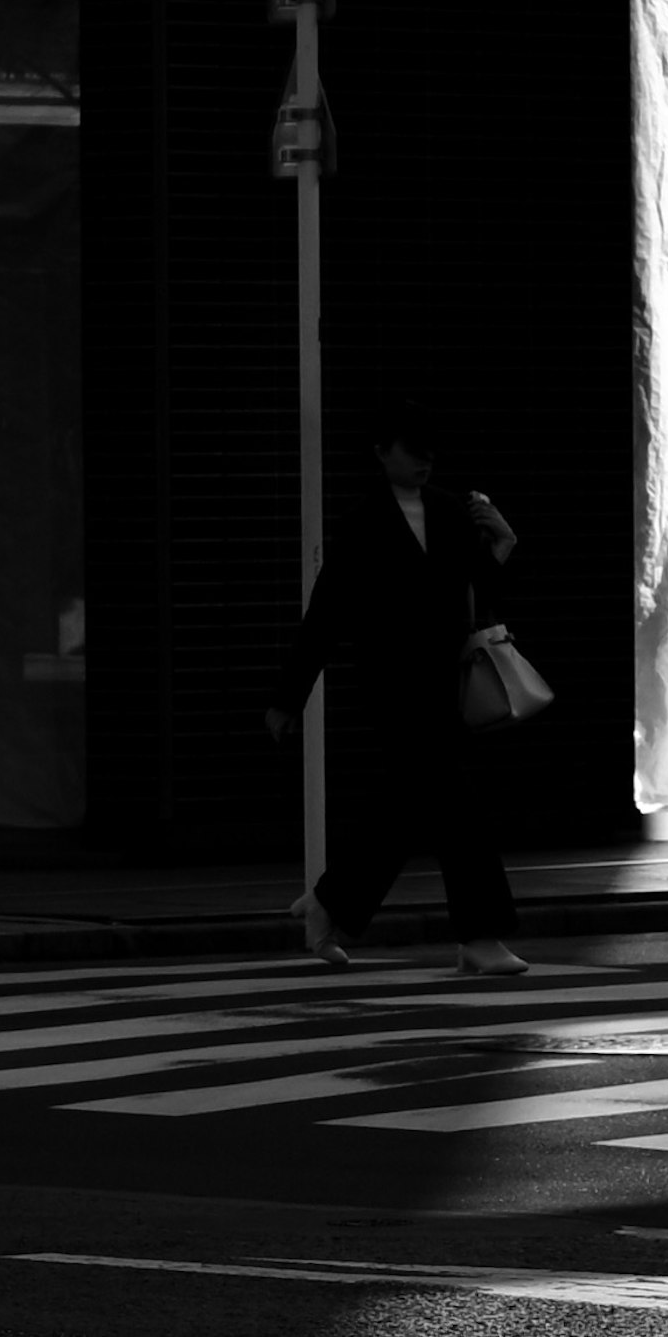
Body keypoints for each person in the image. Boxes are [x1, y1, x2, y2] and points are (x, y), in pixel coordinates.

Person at [267, 406, 530, 976]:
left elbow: (481, 588)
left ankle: (331, 902)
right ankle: (480, 937)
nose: (424, 461)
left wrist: (502, 545)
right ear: (382, 452)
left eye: (430, 451)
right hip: (390, 687)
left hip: (441, 683)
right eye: (412, 450)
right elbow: (328, 610)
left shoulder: (449, 510)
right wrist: (291, 696)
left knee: (408, 808)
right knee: (457, 808)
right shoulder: (364, 520)